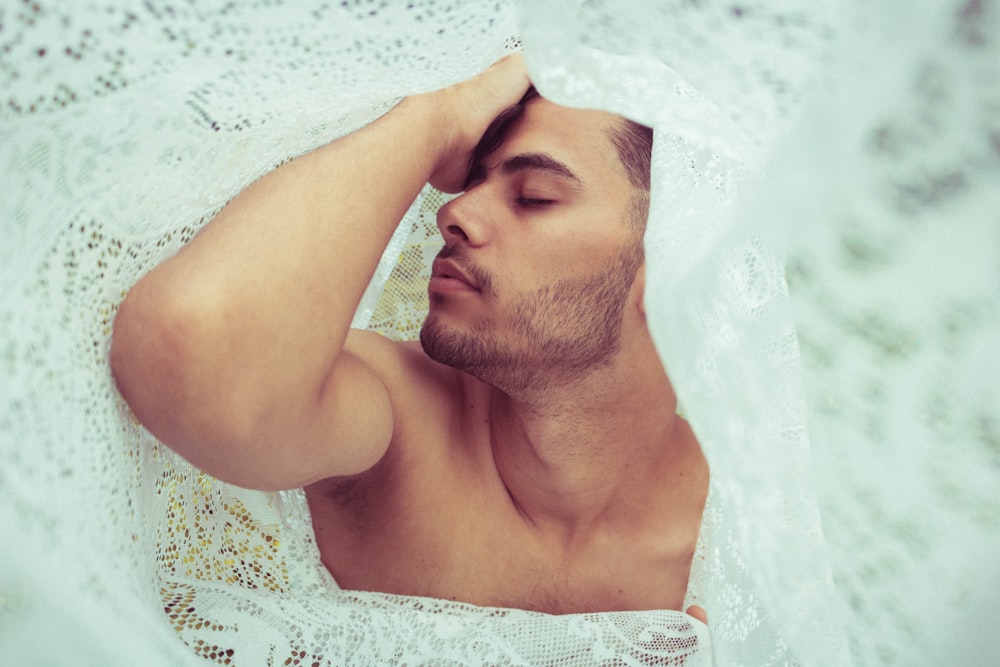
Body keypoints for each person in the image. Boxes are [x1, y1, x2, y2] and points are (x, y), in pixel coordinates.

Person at [110, 55, 709, 623]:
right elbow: (195, 360)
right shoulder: (389, 416)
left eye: (534, 197)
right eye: (470, 182)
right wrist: (437, 116)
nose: (456, 211)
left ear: (675, 266)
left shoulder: (748, 546)